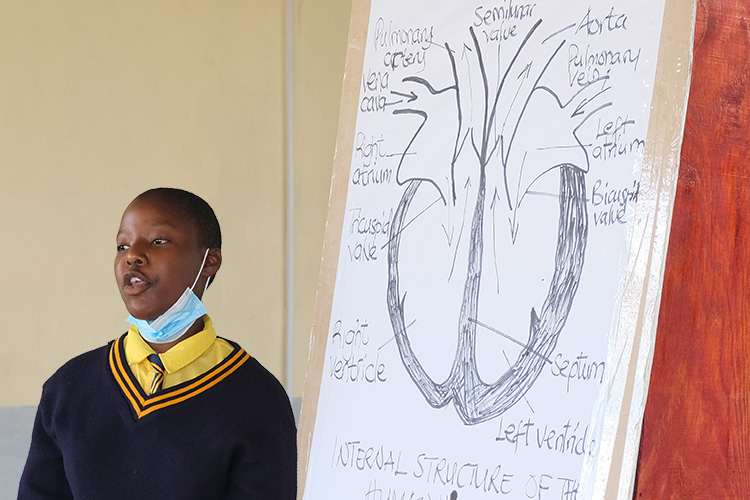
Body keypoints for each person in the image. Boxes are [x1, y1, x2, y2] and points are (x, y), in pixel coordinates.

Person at [18, 188, 297, 499]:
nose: (131, 255)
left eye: (158, 240)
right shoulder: (68, 388)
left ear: (209, 261)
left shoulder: (256, 398)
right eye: (122, 245)